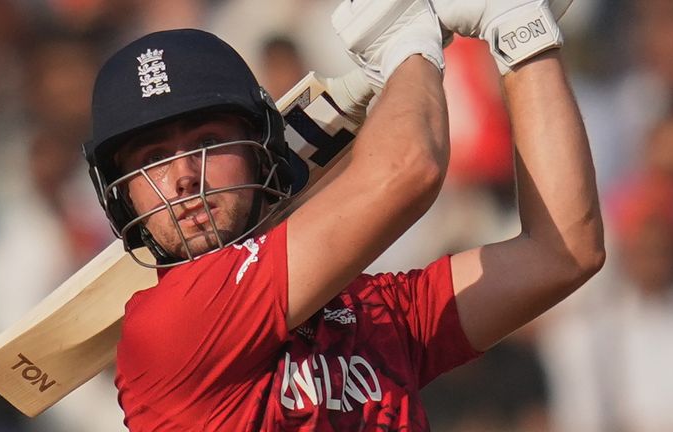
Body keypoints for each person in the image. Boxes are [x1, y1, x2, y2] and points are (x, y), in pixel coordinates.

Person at [80, 0, 604, 429]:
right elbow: (408, 170)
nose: (183, 178)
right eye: (152, 160)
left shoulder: (369, 313)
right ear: (120, 193)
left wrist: (523, 35)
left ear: (262, 149)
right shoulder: (168, 325)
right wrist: (406, 45)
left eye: (207, 143)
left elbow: (562, 253)